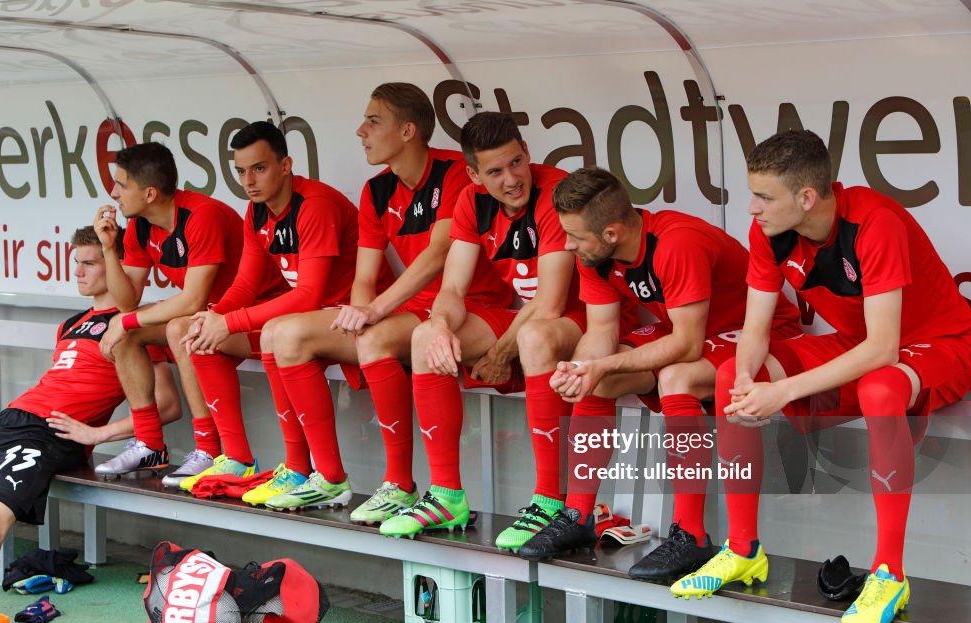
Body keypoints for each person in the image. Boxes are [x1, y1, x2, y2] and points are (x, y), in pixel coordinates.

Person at [668, 130, 971, 623]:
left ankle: (889, 573)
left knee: (880, 388)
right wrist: (746, 378)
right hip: (862, 344)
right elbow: (756, 328)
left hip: (944, 344)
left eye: (764, 197)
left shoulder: (875, 223)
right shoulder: (768, 232)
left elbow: (882, 349)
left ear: (807, 198)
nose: (753, 208)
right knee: (727, 377)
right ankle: (742, 549)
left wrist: (781, 392)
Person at [518, 167, 800, 565]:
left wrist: (604, 364)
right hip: (694, 332)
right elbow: (601, 330)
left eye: (576, 237)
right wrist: (584, 367)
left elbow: (685, 345)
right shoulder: (594, 252)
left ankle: (691, 534)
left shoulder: (676, 243)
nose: (567, 245)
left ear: (611, 233)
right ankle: (578, 515)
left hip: (758, 333)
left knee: (675, 377)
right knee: (598, 383)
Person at [263, 83, 500, 521]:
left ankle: (400, 485)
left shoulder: (452, 173)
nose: (361, 131)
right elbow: (364, 275)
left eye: (373, 121)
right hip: (408, 310)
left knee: (374, 339)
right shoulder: (376, 191)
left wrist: (374, 312)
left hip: (468, 306)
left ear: (408, 130)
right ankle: (324, 477)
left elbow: (437, 255)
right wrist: (358, 313)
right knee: (283, 334)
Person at [0, 227, 179, 609]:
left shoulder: (134, 324)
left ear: (118, 267)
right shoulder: (70, 323)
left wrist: (97, 434)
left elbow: (168, 406)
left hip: (48, 436)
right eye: (76, 262)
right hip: (9, 421)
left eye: (89, 263)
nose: (78, 272)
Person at [379, 112, 578, 548]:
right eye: (495, 171)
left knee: (535, 335)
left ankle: (549, 501)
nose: (511, 179)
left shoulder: (554, 191)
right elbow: (452, 286)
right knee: (424, 337)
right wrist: (440, 324)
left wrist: (499, 355)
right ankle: (447, 494)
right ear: (473, 174)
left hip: (578, 319)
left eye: (516, 162)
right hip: (525, 319)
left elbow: (550, 301)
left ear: (527, 152)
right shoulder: (470, 201)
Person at [175, 121, 374, 503]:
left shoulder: (314, 205)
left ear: (286, 166)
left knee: (275, 332)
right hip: (309, 322)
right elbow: (247, 285)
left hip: (350, 317)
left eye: (259, 168)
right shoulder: (256, 211)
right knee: (196, 332)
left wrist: (230, 321)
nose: (248, 180)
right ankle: (238, 459)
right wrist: (215, 315)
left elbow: (308, 295)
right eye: (240, 171)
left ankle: (318, 473)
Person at [91, 142, 245, 483]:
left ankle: (209, 448)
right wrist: (108, 249)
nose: (113, 193)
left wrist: (126, 319)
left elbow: (192, 301)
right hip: (208, 320)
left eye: (121, 185)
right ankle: (149, 443)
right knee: (126, 333)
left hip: (249, 318)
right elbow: (128, 302)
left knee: (178, 327)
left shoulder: (201, 215)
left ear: (149, 193)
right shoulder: (142, 225)